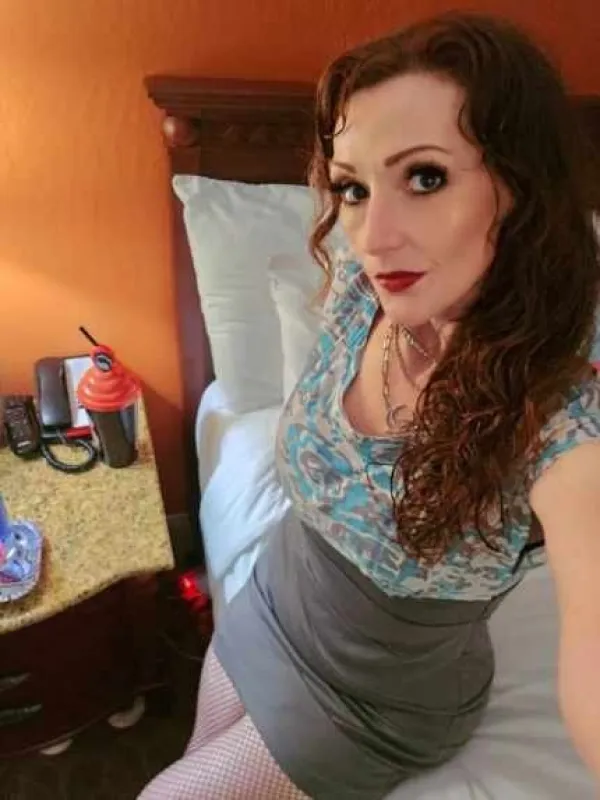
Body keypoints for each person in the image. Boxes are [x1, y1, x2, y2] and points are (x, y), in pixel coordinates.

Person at [139, 12, 600, 799]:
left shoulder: (559, 418)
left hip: (369, 702)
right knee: (190, 756)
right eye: (353, 188)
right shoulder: (360, 292)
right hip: (274, 597)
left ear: (521, 189)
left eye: (425, 178)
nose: (373, 236)